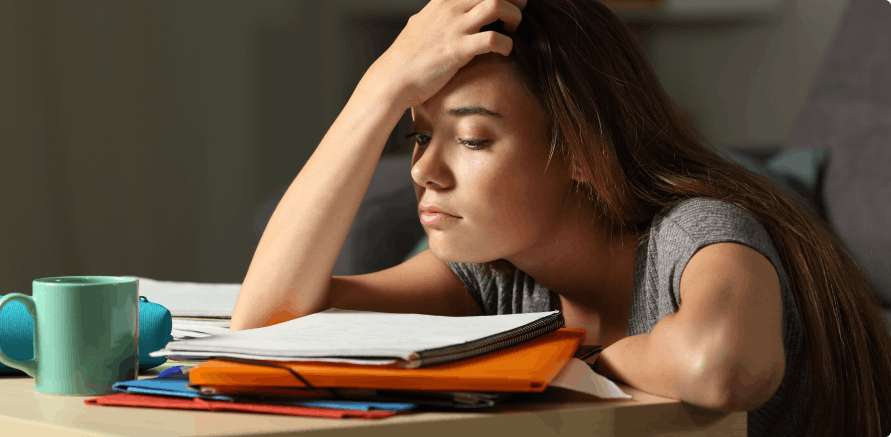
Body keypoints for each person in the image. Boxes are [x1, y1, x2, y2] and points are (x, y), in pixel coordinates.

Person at [230, 0, 891, 435]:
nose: (422, 171)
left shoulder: (700, 234)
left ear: (579, 149)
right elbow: (266, 323)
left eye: (473, 139)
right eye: (416, 135)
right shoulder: (490, 274)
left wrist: (546, 362)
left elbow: (719, 365)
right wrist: (381, 86)